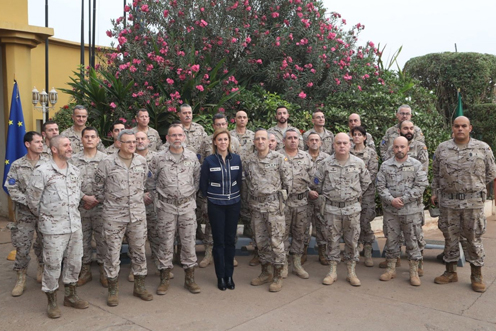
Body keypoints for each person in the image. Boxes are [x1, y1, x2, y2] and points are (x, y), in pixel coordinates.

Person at [431, 116, 496, 292]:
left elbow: (491, 173)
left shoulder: (483, 148)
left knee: (473, 238)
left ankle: (476, 275)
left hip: (472, 202)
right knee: (449, 236)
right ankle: (450, 272)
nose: (460, 128)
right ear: (453, 128)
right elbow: (436, 173)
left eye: (464, 126)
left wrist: (474, 185)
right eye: (457, 126)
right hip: (448, 201)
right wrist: (435, 192)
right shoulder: (443, 148)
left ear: (470, 128)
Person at [26, 135, 88, 318]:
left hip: (74, 225)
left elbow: (77, 196)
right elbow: (32, 201)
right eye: (65, 145)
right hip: (53, 228)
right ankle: (52, 301)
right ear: (54, 149)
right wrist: (47, 217)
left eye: (70, 145)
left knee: (75, 262)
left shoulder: (75, 170)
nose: (70, 148)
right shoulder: (43, 171)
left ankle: (70, 296)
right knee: (52, 265)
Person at [94, 129, 153, 306]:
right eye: (128, 142)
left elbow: (144, 185)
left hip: (137, 215)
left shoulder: (142, 161)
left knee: (140, 251)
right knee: (112, 253)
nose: (132, 145)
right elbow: (98, 188)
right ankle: (113, 290)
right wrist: (114, 202)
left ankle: (139, 286)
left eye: (134, 142)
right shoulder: (107, 162)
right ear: (119, 143)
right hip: (114, 216)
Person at [147, 124, 201, 294]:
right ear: (167, 138)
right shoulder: (158, 158)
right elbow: (151, 182)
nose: (177, 138)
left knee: (188, 242)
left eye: (180, 135)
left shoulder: (192, 157)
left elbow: (197, 180)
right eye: (173, 135)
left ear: (184, 137)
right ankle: (164, 278)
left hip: (186, 207)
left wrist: (186, 196)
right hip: (166, 207)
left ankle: (190, 279)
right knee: (165, 242)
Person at [314, 133, 371, 287]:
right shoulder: (325, 164)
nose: (342, 146)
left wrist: (353, 196)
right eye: (338, 143)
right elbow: (317, 183)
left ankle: (351, 271)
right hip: (332, 209)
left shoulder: (358, 163)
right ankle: (332, 271)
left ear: (350, 145)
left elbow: (365, 183)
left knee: (352, 241)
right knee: (331, 240)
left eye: (345, 143)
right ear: (333, 145)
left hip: (351, 209)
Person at [244, 129, 292, 292]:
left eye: (263, 139)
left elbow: (287, 182)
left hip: (273, 207)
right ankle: (266, 272)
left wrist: (279, 201)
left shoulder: (278, 158)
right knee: (261, 241)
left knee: (276, 242)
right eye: (257, 139)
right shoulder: (249, 160)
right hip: (257, 207)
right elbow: (248, 182)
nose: (260, 141)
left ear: (269, 141)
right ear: (254, 142)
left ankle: (278, 275)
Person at [376, 136, 428, 286]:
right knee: (391, 240)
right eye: (396, 147)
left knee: (413, 241)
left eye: (402, 147)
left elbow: (420, 186)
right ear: (393, 148)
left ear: (408, 148)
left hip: (410, 211)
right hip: (391, 211)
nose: (399, 150)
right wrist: (391, 200)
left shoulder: (416, 165)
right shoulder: (385, 166)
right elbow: (380, 187)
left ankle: (414, 272)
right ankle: (391, 269)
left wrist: (403, 199)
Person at [4, 131, 46, 296]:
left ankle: (42, 270)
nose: (41, 144)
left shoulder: (48, 164)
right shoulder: (17, 165)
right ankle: (21, 278)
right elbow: (11, 187)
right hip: (24, 214)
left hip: (44, 214)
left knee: (44, 244)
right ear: (28, 144)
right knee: (22, 247)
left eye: (42, 141)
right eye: (37, 142)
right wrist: (29, 202)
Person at [200, 129, 242, 291]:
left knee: (230, 240)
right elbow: (203, 184)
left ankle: (229, 275)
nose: (223, 142)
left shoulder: (237, 159)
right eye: (220, 140)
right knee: (219, 241)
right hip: (216, 204)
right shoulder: (209, 161)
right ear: (215, 142)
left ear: (229, 142)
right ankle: (220, 277)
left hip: (233, 204)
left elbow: (239, 182)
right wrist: (209, 199)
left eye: (225, 139)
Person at [69, 127, 107, 287]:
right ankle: (85, 270)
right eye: (87, 137)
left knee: (103, 239)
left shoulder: (107, 159)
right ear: (82, 140)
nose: (90, 139)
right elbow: (68, 184)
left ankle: (104, 270)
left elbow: (112, 184)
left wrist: (97, 198)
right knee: (82, 240)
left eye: (93, 137)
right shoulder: (73, 160)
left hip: (101, 207)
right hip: (81, 206)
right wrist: (84, 197)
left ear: (98, 140)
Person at [279, 128, 314, 279]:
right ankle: (284, 264)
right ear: (283, 140)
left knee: (300, 233)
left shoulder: (306, 157)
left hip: (301, 202)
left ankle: (297, 263)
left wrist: (313, 190)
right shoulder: (277, 156)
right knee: (282, 234)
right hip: (284, 203)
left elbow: (314, 178)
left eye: (295, 138)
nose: (293, 140)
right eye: (289, 138)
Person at [230, 110, 257, 265]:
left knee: (250, 213)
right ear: (235, 119)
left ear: (247, 120)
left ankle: (255, 250)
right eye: (239, 117)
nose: (241, 119)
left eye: (244, 117)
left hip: (248, 179)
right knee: (233, 213)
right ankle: (231, 251)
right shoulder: (229, 136)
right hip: (232, 179)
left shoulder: (253, 136)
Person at [350, 126, 379, 267]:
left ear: (364, 137)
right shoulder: (348, 153)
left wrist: (359, 189)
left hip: (366, 194)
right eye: (354, 134)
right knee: (352, 223)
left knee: (365, 221)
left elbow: (372, 174)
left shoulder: (371, 154)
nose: (356, 137)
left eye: (359, 134)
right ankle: (354, 250)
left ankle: (368, 250)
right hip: (350, 195)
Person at [306, 132, 331, 265]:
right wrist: (309, 191)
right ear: (307, 143)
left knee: (322, 226)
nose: (314, 142)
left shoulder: (327, 159)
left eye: (317, 140)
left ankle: (322, 253)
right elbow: (298, 178)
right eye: (311, 140)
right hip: (305, 197)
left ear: (321, 143)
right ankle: (302, 253)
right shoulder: (302, 157)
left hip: (321, 197)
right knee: (303, 226)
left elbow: (330, 179)